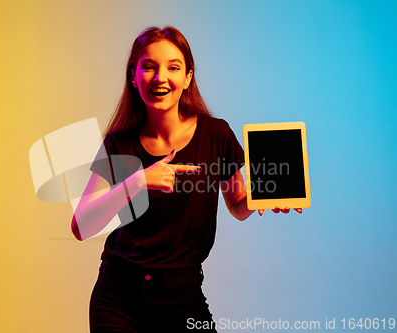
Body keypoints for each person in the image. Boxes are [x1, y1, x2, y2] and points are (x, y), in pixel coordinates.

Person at [71, 26, 300, 332]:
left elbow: (238, 205)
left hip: (182, 295)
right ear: (134, 77)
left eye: (173, 67)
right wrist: (136, 181)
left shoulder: (216, 134)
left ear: (188, 77)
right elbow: (81, 226)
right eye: (148, 67)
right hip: (117, 295)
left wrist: (265, 198)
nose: (160, 77)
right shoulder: (119, 144)